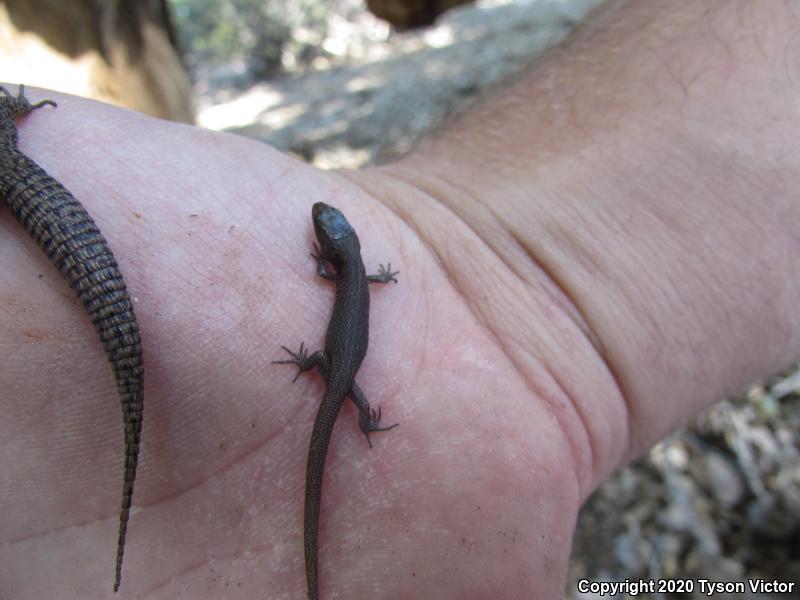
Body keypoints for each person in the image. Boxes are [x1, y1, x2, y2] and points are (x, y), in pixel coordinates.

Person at [1, 0, 798, 597]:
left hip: (339, 375)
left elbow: (346, 289)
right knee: (335, 391)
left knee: (333, 394)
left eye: (327, 227)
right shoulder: (352, 274)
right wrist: (347, 379)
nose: (325, 227)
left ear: (330, 252)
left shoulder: (340, 281)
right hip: (339, 374)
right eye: (329, 229)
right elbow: (357, 280)